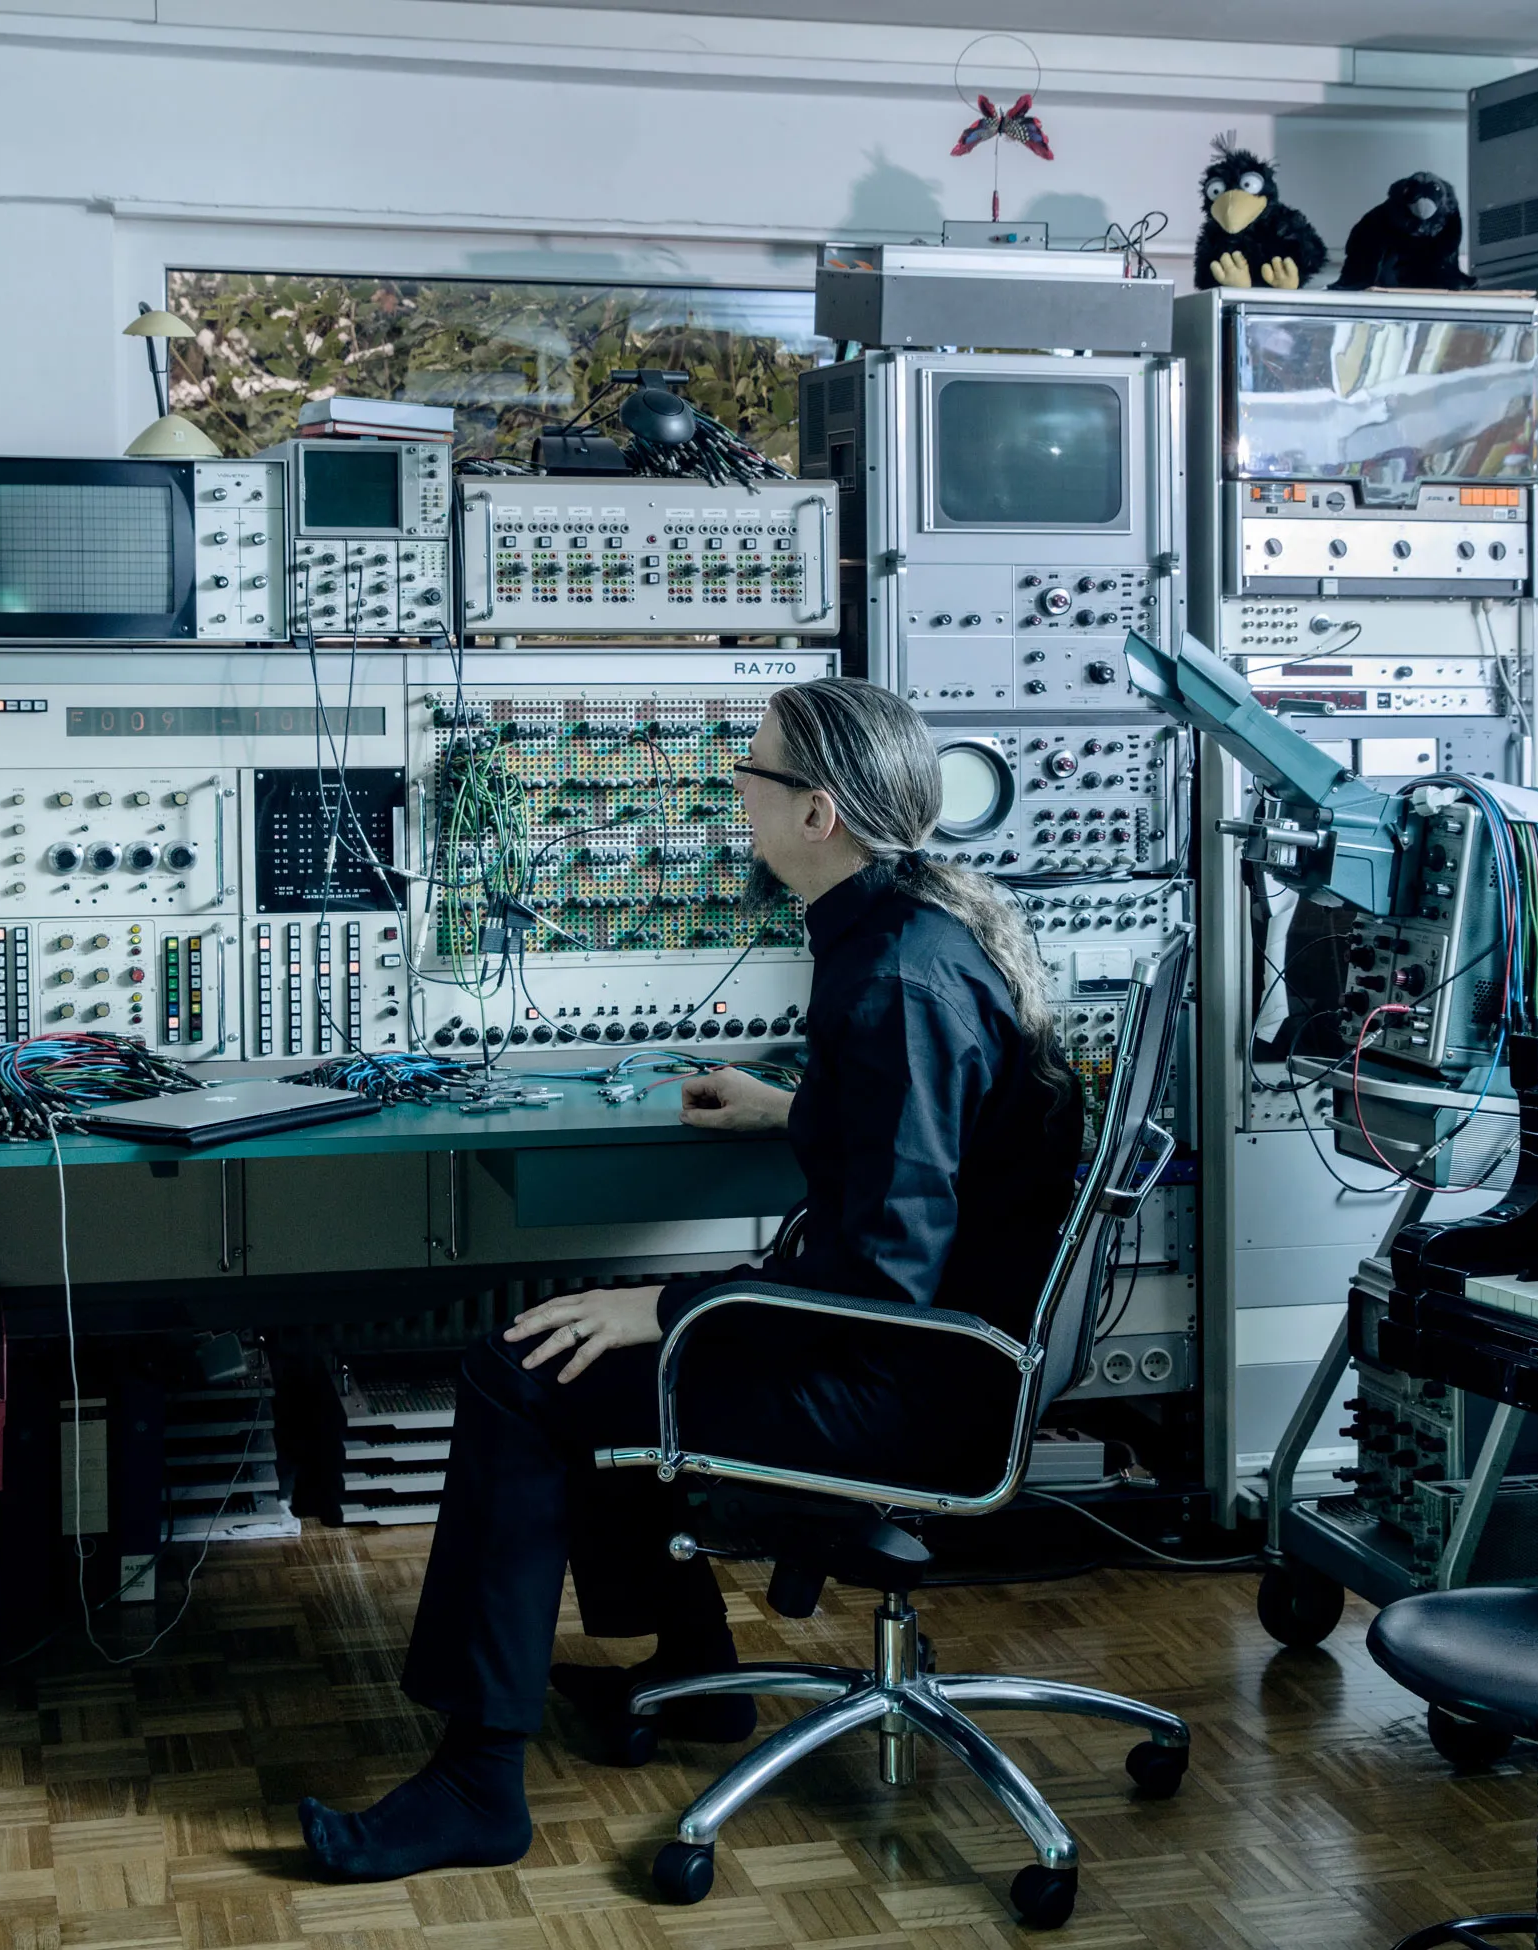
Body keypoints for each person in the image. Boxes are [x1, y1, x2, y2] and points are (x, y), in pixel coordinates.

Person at [300, 676, 1082, 1882]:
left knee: (521, 1371)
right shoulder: (920, 930)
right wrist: (792, 1108)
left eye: (752, 777)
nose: (734, 798)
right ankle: (691, 1674)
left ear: (817, 813)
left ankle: (473, 1788)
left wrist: (664, 1307)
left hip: (897, 1384)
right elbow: (926, 1155)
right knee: (591, 1340)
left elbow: (882, 1273)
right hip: (930, 1356)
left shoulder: (893, 982)